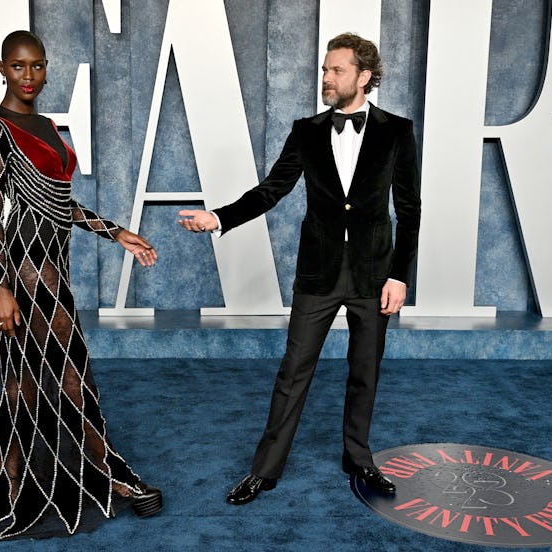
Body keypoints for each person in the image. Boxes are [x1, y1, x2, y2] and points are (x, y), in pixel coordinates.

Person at [0, 30, 162, 540]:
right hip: (21, 273)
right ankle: (59, 474)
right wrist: (1, 285)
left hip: (54, 272)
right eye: (19, 67)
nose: (29, 76)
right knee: (47, 375)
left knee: (50, 376)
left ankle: (47, 469)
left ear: (46, 68)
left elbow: (60, 203)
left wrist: (118, 233)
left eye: (38, 66)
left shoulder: (45, 124)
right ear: (2, 67)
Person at [179, 33, 420, 503]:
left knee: (364, 370)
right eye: (325, 70)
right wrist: (219, 217)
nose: (326, 78)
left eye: (336, 70)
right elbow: (272, 189)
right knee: (293, 370)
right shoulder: (307, 130)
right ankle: (264, 471)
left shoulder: (397, 131)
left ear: (364, 77)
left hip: (374, 273)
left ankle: (359, 458)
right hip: (318, 272)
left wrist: (399, 275)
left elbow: (409, 208)